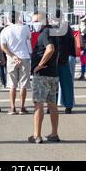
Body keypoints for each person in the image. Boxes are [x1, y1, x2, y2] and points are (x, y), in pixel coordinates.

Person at [29, 12, 60, 144]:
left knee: (38, 104)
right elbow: (56, 52)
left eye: (36, 21)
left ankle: (37, 135)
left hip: (42, 75)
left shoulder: (45, 33)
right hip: (53, 73)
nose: (34, 23)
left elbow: (50, 49)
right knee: (52, 105)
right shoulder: (54, 32)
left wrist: (39, 65)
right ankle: (54, 133)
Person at [0, 12, 32, 115]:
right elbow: (29, 39)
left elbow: (3, 46)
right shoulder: (25, 28)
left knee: (12, 85)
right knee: (23, 84)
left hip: (11, 59)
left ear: (9, 19)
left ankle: (12, 108)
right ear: (19, 17)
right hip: (24, 57)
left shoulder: (5, 30)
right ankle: (22, 107)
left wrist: (12, 56)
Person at [57, 24, 76, 114]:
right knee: (67, 85)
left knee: (53, 85)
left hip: (55, 61)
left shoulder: (53, 29)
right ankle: (68, 106)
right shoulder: (68, 30)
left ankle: (51, 106)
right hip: (65, 59)